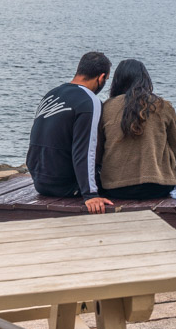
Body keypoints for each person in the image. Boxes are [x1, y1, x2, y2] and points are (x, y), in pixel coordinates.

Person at [27, 51, 113, 214]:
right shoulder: (89, 101)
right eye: (106, 80)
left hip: (40, 182)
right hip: (65, 186)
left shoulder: (52, 94)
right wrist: (90, 194)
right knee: (121, 182)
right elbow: (85, 150)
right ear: (101, 77)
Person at [98, 59, 176, 199]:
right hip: (158, 186)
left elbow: (97, 153)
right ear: (146, 80)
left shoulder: (106, 107)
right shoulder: (163, 106)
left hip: (115, 188)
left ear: (117, 82)